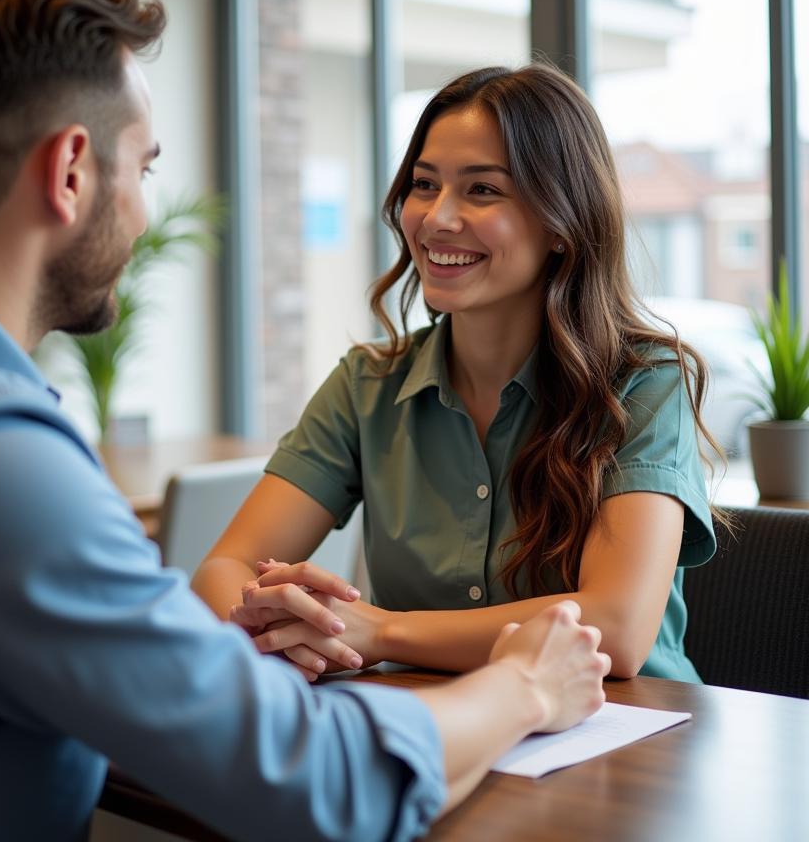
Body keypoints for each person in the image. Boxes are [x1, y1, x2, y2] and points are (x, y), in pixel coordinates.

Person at [0, 0, 611, 842]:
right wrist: (522, 686)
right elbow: (325, 791)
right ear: (70, 171)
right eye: (143, 168)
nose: (144, 212)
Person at [192, 63, 720, 685]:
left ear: (560, 221)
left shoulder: (643, 384)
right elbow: (223, 566)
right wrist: (283, 623)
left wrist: (380, 629)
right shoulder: (368, 385)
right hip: (439, 730)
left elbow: (616, 628)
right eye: (424, 184)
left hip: (627, 737)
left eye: (482, 190)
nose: (438, 217)